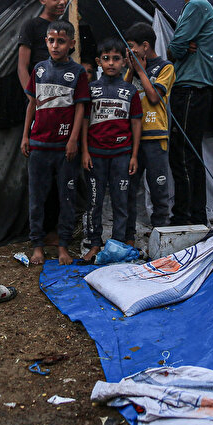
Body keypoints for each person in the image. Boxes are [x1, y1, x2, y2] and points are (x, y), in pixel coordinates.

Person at [21, 20, 89, 265]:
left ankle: (63, 246)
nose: (55, 45)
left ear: (71, 43)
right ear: (46, 42)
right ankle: (37, 246)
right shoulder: (39, 69)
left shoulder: (78, 73)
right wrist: (25, 135)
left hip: (64, 148)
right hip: (39, 145)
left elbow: (80, 108)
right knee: (37, 198)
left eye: (61, 41)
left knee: (66, 198)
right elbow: (32, 104)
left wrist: (73, 140)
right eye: (51, 40)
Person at [167, 0, 213, 226]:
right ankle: (194, 217)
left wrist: (179, 46)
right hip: (194, 91)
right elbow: (179, 47)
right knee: (189, 155)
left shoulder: (196, 6)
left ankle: (185, 219)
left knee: (183, 156)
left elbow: (174, 49)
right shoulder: (198, 7)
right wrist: (181, 45)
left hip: (190, 91)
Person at [81, 37, 142, 261]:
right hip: (95, 155)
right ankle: (94, 243)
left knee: (121, 201)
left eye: (116, 59)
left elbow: (136, 123)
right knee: (94, 202)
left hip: (122, 155)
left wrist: (134, 155)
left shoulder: (130, 91)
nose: (111, 63)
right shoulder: (91, 90)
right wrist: (85, 151)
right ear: (99, 61)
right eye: (106, 58)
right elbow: (84, 121)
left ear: (124, 62)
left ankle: (117, 244)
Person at [124, 21, 174, 243]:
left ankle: (159, 237)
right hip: (133, 138)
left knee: (158, 189)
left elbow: (154, 97)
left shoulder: (166, 67)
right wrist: (130, 69)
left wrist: (140, 71)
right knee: (129, 188)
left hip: (155, 136)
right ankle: (128, 236)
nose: (130, 51)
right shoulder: (133, 68)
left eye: (132, 46)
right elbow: (124, 93)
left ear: (145, 46)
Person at [17, 0, 70, 91]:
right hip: (40, 90)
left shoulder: (67, 26)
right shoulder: (31, 26)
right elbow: (22, 68)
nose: (62, 1)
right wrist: (32, 97)